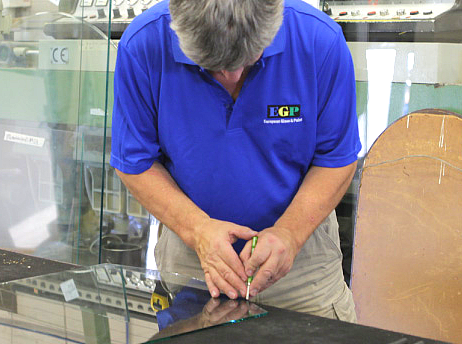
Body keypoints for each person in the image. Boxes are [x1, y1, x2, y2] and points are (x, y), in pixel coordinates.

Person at [111, 0, 361, 322]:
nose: (233, 74)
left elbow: (336, 158)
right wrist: (198, 230)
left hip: (302, 261)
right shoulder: (143, 44)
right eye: (211, 66)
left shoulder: (319, 41)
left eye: (250, 59)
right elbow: (135, 161)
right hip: (192, 258)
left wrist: (290, 233)